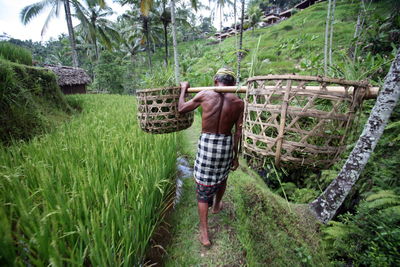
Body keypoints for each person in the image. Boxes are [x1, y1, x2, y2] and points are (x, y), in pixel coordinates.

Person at [178, 67, 244, 247]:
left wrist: (184, 88)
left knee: (203, 188)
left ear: (216, 81)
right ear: (234, 85)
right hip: (225, 145)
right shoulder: (238, 102)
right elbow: (238, 133)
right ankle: (216, 206)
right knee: (222, 177)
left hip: (207, 144)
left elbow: (182, 108)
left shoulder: (205, 94)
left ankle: (204, 233)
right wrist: (235, 156)